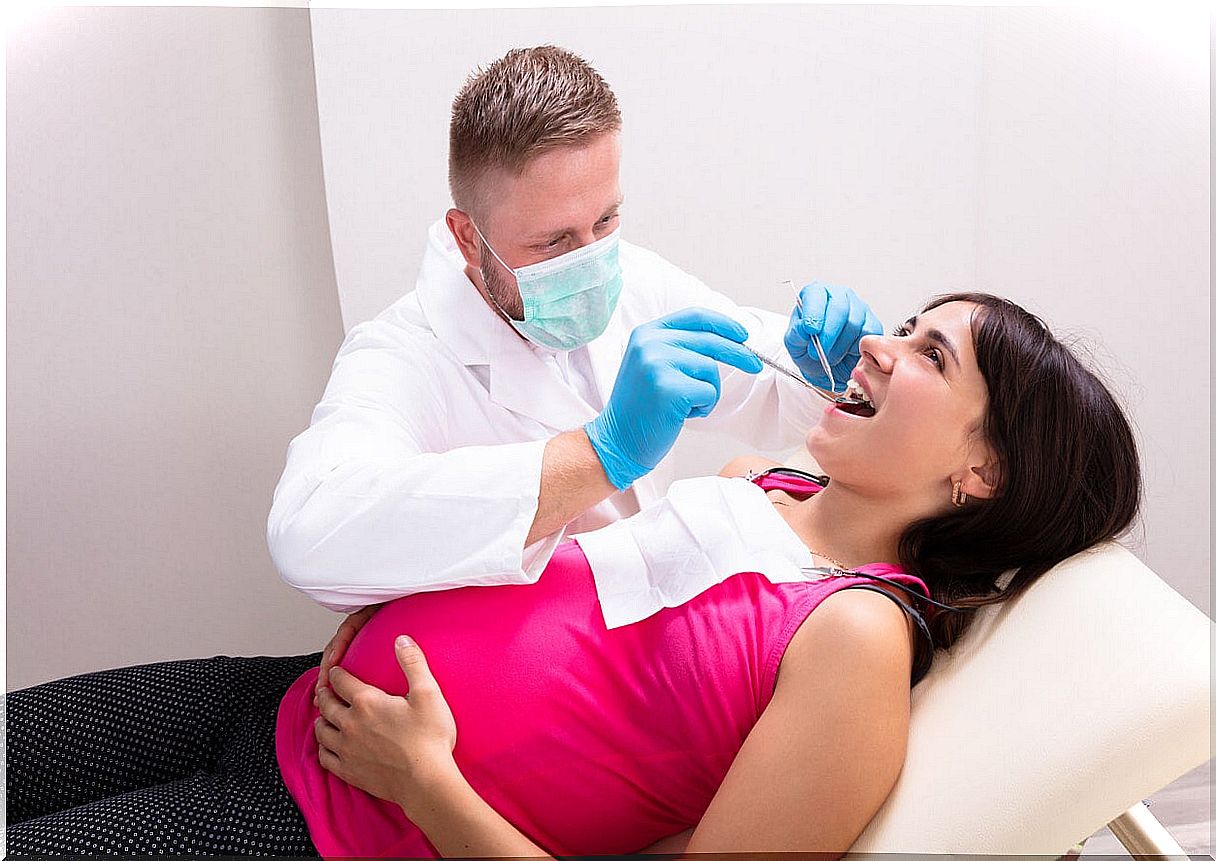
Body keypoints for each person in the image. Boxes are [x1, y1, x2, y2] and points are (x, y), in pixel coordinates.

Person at [5, 293, 1141, 857]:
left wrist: (426, 789)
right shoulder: (762, 485)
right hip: (280, 699)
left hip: (326, 828)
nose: (882, 346)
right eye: (900, 325)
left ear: (983, 473)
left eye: (931, 355)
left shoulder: (853, 638)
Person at [265, 44, 881, 619]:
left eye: (606, 219)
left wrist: (823, 367)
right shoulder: (402, 354)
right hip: (494, 677)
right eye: (553, 242)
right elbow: (309, 534)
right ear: (465, 238)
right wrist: (596, 455)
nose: (590, 263)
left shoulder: (635, 279)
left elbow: (772, 389)